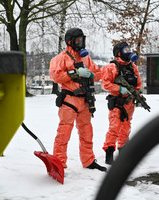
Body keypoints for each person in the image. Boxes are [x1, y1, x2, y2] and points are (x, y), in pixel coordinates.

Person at [49, 28, 106, 171]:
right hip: (69, 100)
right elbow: (55, 76)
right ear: (70, 41)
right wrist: (74, 73)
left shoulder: (86, 58)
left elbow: (98, 73)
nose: (81, 42)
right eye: (78, 40)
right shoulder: (61, 58)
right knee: (64, 134)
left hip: (85, 100)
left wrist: (91, 75)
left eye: (82, 39)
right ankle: (59, 164)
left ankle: (89, 161)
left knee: (87, 133)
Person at [101, 41, 142, 164]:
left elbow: (138, 84)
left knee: (126, 129)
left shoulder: (133, 67)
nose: (128, 52)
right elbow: (105, 84)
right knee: (114, 129)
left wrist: (138, 95)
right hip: (117, 103)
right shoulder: (112, 67)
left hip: (129, 103)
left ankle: (123, 153)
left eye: (128, 49)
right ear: (118, 53)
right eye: (125, 50)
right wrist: (118, 89)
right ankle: (109, 154)